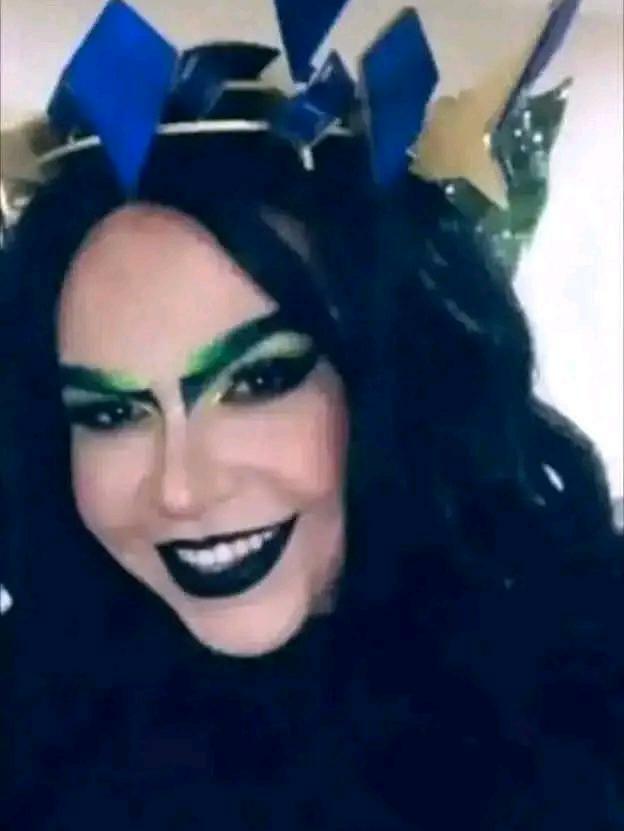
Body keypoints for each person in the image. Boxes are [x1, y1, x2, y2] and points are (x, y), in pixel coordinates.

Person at [1, 7, 622, 831]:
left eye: (260, 379)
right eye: (113, 410)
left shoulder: (587, 666)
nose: (181, 489)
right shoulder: (32, 713)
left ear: (395, 373)